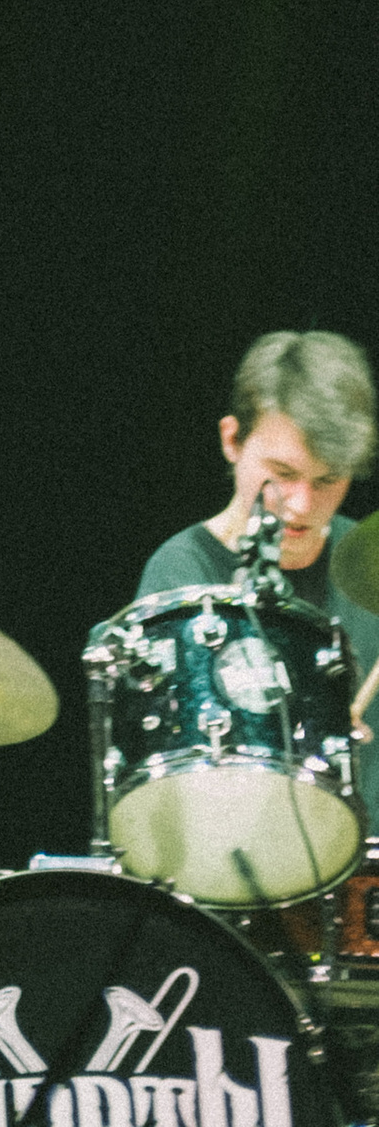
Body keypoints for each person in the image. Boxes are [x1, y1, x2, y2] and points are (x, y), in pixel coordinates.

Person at [136, 328, 379, 823]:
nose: (304, 505)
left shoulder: (371, 563)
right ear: (232, 440)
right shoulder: (181, 573)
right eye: (284, 474)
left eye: (328, 480)